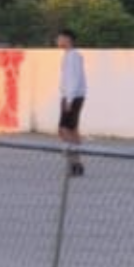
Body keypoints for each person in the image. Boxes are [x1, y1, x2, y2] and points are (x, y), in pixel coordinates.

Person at [57, 28, 87, 176]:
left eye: (60, 38)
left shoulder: (73, 56)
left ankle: (73, 162)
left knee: (64, 130)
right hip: (72, 96)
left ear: (67, 40)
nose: (58, 41)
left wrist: (69, 99)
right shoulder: (69, 56)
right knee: (72, 130)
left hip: (72, 97)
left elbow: (73, 79)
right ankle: (77, 163)